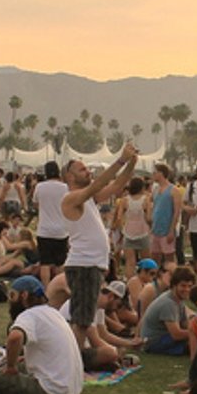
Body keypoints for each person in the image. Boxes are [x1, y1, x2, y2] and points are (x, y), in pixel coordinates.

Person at [59, 145, 138, 351]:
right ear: (69, 176)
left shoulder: (90, 199)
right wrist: (120, 160)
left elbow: (118, 184)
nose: (88, 172)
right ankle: (75, 363)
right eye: (82, 169)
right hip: (83, 265)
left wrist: (132, 163)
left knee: (84, 318)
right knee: (82, 321)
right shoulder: (70, 198)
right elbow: (97, 185)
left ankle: (75, 361)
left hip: (92, 265)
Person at [0, 275, 84, 394]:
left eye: (13, 296)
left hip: (52, 390)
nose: (10, 301)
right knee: (19, 366)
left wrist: (11, 366)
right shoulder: (54, 313)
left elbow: (15, 338)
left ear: (24, 296)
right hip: (73, 388)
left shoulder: (29, 315)